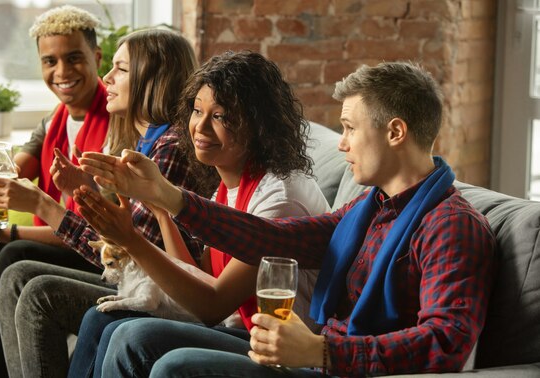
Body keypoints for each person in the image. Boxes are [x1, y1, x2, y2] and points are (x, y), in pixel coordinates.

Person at [78, 61, 497, 376]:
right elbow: (271, 240)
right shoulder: (369, 208)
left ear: (395, 132)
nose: (342, 144)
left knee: (169, 362)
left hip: (336, 364)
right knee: (131, 334)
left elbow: (447, 341)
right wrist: (168, 196)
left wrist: (323, 352)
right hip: (320, 354)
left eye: (349, 129)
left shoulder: (450, 226)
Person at [66, 50, 330, 377]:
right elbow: (199, 276)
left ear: (259, 124)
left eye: (220, 116)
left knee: (132, 335)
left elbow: (211, 306)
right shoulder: (228, 185)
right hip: (239, 328)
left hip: (276, 345)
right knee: (104, 320)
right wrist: (163, 213)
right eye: (197, 110)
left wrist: (131, 240)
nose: (200, 127)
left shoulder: (280, 199)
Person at [0, 28, 205, 378]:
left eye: (120, 69)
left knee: (35, 287)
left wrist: (44, 204)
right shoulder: (146, 139)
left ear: (152, 78)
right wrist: (79, 191)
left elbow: (126, 251)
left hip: (156, 291)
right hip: (138, 278)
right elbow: (119, 235)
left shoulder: (170, 149)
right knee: (17, 272)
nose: (107, 78)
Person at [0, 6, 109, 378]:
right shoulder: (54, 120)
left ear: (96, 57)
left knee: (12, 251)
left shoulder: (115, 122)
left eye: (74, 58)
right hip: (63, 236)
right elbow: (13, 171)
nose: (62, 72)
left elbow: (86, 232)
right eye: (49, 61)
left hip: (91, 250)